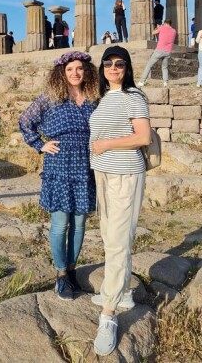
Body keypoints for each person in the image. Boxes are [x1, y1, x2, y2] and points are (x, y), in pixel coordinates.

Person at [18, 51, 99, 301]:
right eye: (70, 69)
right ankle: (61, 274)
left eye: (79, 68)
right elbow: (25, 120)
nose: (75, 73)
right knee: (60, 223)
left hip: (85, 166)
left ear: (86, 71)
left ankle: (72, 271)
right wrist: (39, 144)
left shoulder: (94, 99)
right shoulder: (51, 98)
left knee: (80, 223)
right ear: (61, 73)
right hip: (60, 164)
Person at [88, 45, 151, 356]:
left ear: (127, 68)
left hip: (125, 173)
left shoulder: (133, 97)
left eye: (120, 63)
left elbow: (143, 137)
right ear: (102, 68)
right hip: (103, 174)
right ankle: (123, 292)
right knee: (110, 236)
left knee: (117, 241)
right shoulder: (102, 98)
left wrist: (106, 145)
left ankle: (109, 314)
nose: (114, 67)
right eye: (108, 63)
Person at [137, 19, 176, 88]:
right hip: (168, 52)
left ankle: (142, 82)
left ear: (165, 23)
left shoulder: (162, 28)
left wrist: (158, 28)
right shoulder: (174, 31)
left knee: (149, 65)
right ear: (170, 23)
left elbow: (153, 33)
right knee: (164, 67)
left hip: (159, 50)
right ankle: (165, 83)